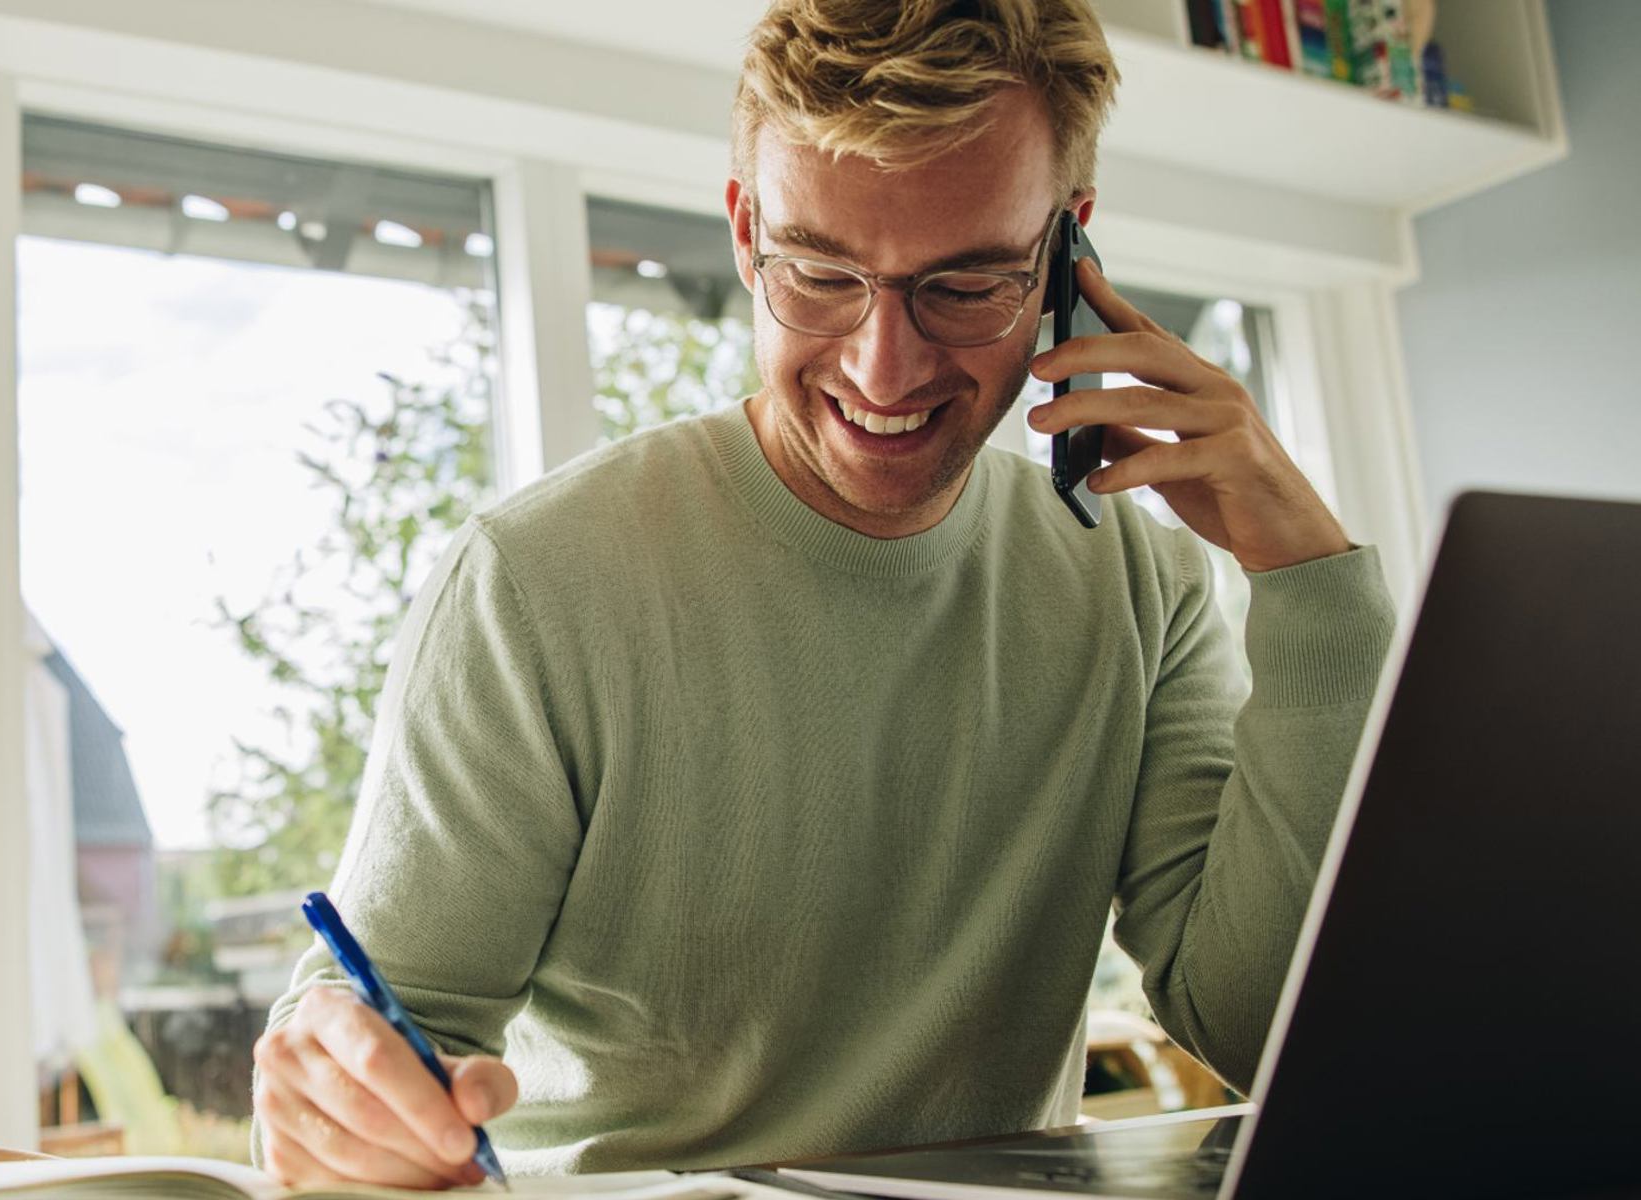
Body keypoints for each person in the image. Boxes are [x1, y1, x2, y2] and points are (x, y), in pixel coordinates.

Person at [250, 0, 1397, 1186]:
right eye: (820, 274)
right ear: (746, 231)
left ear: (1065, 251)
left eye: (964, 286)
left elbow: (1274, 1034)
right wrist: (336, 1097)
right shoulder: (537, 582)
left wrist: (1309, 587)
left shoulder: (1139, 581)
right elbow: (387, 1028)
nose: (880, 367)